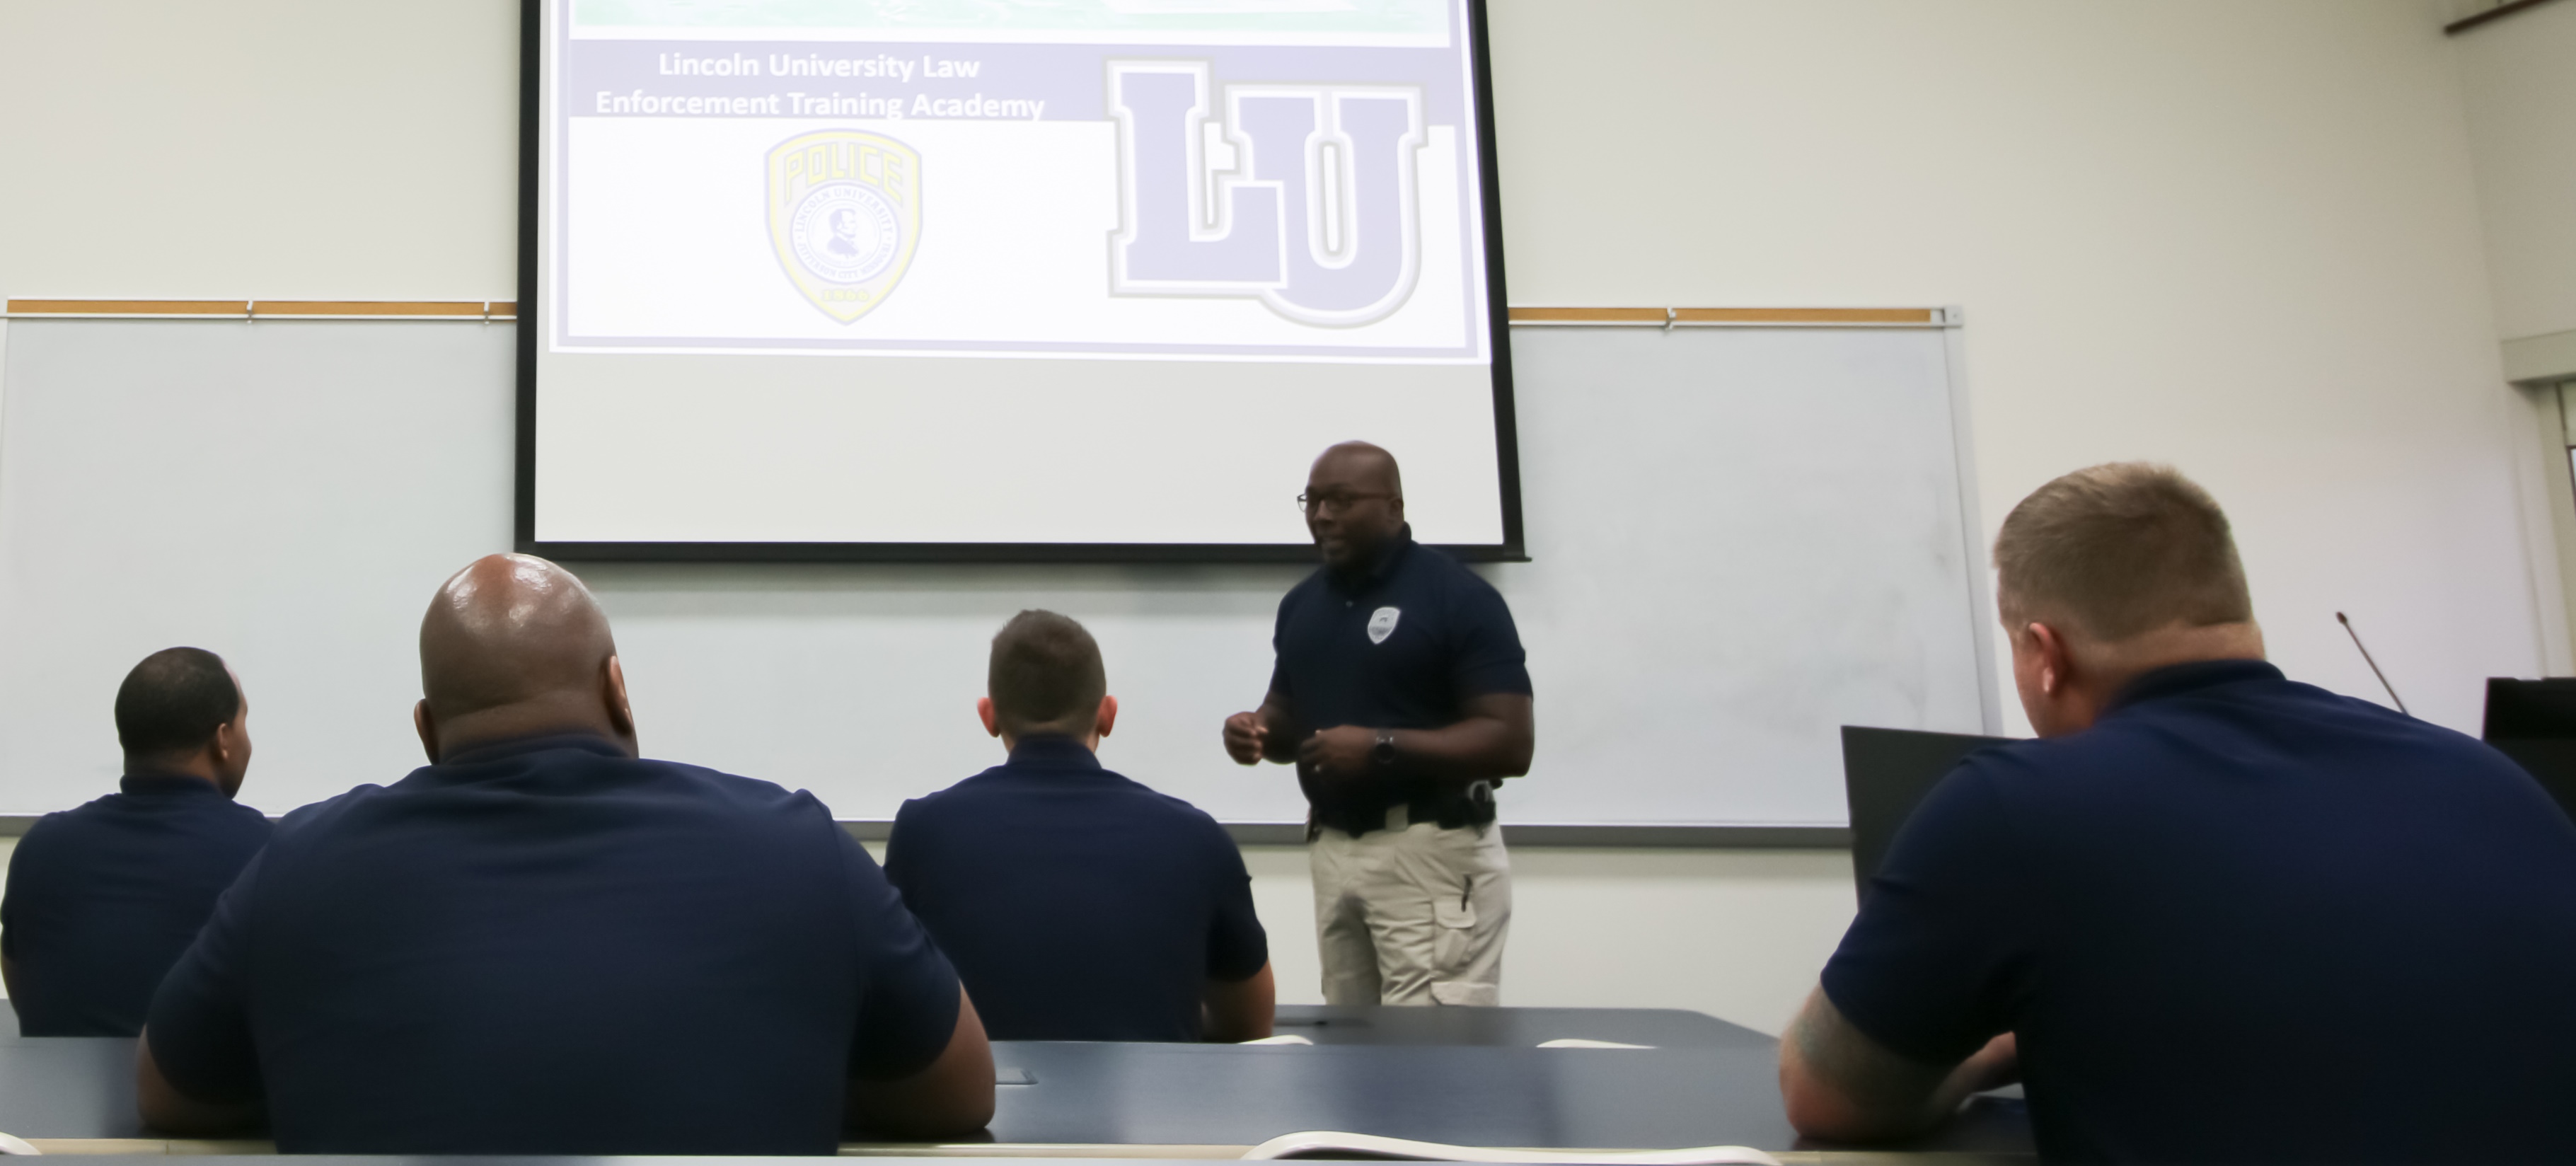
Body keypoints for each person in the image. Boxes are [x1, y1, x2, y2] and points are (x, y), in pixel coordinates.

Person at [1778, 463, 2576, 1162]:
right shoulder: (2493, 781)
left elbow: (1826, 1096)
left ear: (2044, 653)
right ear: (2236, 614)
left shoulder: (2015, 805)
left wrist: (1998, 1053)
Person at [136, 554, 993, 1154]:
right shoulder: (796, 843)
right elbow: (960, 1095)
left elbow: (173, 1092)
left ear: (428, 731)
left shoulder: (298, 864)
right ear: (618, 687)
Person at [1223, 441, 1533, 1007]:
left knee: (1432, 1063)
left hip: (1430, 853)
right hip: (1335, 851)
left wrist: (1382, 748)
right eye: (1311, 501)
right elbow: (1286, 719)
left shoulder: (1458, 599)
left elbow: (1510, 742)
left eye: (1340, 500)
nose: (1320, 516)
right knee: (1350, 1057)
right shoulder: (1303, 604)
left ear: (1393, 507)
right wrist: (1255, 730)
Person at [886, 610, 1273, 1042]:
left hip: (990, 1107)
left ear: (989, 716)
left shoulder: (924, 832)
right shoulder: (1199, 839)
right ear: (1107, 715)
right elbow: (1250, 1025)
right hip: (1156, 1108)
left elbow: (896, 1007)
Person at [0, 649, 270, 1037]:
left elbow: (24, 989)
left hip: (60, 1095)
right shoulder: (268, 855)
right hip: (197, 1096)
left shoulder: (41, 848)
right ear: (223, 738)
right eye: (245, 720)